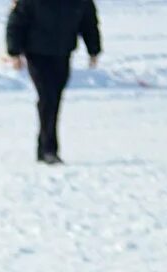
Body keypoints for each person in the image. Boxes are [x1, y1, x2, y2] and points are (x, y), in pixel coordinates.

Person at [7, 0, 102, 164]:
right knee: (48, 97)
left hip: (62, 52)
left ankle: (43, 148)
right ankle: (49, 150)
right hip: (36, 53)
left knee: (54, 99)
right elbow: (16, 22)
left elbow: (88, 21)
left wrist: (93, 50)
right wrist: (14, 52)